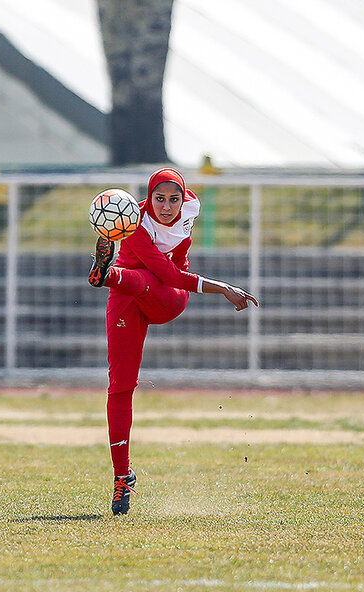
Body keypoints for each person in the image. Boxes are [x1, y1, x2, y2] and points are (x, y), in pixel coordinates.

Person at [88, 168, 258, 515]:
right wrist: (221, 287)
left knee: (140, 278)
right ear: (147, 200)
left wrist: (223, 287)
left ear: (184, 198)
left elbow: (170, 273)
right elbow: (163, 268)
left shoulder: (190, 212)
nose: (166, 207)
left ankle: (107, 274)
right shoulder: (133, 223)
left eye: (173, 199)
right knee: (120, 387)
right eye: (158, 199)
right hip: (126, 296)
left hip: (168, 297)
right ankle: (123, 478)